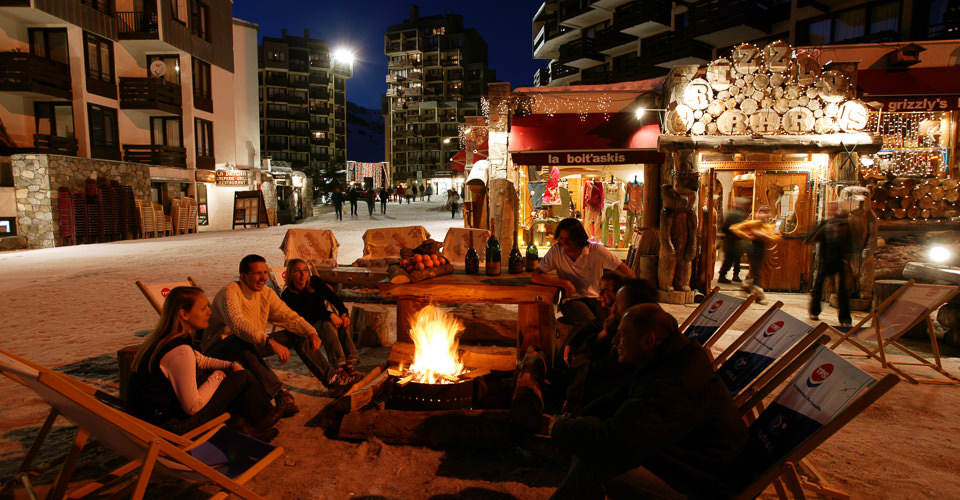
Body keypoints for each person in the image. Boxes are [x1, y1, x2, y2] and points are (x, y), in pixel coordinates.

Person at [549, 304, 749, 499]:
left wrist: (560, 428)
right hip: (681, 461)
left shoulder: (671, 384)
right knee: (590, 443)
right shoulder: (669, 359)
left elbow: (618, 442)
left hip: (703, 484)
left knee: (595, 462)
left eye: (622, 335)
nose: (615, 341)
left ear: (648, 340)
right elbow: (621, 398)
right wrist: (579, 418)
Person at [128, 287, 280, 441]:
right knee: (243, 378)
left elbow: (201, 360)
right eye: (203, 309)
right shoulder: (180, 352)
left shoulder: (167, 339)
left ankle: (243, 425)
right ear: (184, 314)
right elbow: (192, 407)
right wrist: (218, 376)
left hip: (152, 419)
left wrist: (229, 365)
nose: (209, 312)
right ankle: (263, 420)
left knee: (228, 376)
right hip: (168, 428)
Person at [201, 255, 331, 418]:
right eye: (257, 273)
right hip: (219, 351)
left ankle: (331, 379)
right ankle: (280, 393)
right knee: (240, 341)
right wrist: (269, 341)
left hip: (250, 343)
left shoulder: (265, 293)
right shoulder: (230, 292)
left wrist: (310, 331)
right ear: (243, 276)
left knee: (297, 334)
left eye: (264, 272)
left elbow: (288, 316)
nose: (263, 278)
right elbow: (238, 324)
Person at [561, 278, 658, 415]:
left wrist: (568, 418)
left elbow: (603, 378)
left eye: (616, 308)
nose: (612, 310)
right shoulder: (611, 321)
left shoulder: (641, 359)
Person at [532, 218, 635, 333]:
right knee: (588, 323)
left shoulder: (596, 251)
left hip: (596, 299)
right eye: (561, 238)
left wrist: (617, 294)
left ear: (578, 238)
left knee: (611, 324)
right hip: (572, 300)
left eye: (568, 239)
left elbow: (629, 274)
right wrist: (564, 283)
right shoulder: (556, 251)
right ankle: (569, 350)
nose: (564, 242)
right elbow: (536, 276)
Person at [281, 259, 362, 385]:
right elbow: (306, 314)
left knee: (339, 322)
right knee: (327, 325)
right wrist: (329, 315)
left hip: (324, 319)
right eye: (298, 271)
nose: (303, 274)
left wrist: (343, 313)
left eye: (305, 270)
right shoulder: (287, 296)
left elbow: (332, 297)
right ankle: (339, 367)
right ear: (290, 274)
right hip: (308, 326)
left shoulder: (315, 282)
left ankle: (349, 364)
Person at [808, 201, 852, 326]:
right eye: (831, 209)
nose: (833, 211)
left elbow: (849, 242)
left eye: (835, 209)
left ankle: (845, 319)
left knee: (843, 291)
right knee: (818, 287)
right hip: (826, 259)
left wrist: (848, 257)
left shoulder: (845, 224)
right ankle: (814, 312)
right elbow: (814, 237)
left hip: (840, 260)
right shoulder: (825, 224)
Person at [730, 206, 780, 304]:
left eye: (765, 213)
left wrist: (764, 235)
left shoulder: (768, 226)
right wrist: (747, 235)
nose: (763, 215)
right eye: (761, 213)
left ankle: (746, 287)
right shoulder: (753, 223)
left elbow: (776, 237)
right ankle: (759, 295)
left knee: (756, 271)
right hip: (754, 248)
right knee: (757, 272)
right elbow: (734, 228)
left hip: (762, 250)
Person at [718, 197, 748, 283]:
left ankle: (733, 275)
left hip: (734, 240)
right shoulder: (737, 214)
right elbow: (727, 227)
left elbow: (724, 227)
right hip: (732, 240)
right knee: (730, 259)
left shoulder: (734, 213)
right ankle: (723, 275)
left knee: (735, 259)